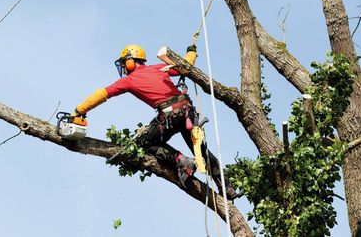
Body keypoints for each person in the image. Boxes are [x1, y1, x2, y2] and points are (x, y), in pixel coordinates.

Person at [72, 44, 237, 199]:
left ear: (130, 61)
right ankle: (227, 187)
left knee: (145, 142)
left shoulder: (129, 80)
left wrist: (81, 109)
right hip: (187, 112)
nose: (123, 68)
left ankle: (181, 160)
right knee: (201, 151)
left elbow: (103, 93)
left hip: (170, 115)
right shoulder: (159, 68)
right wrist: (191, 51)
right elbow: (186, 65)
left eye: (124, 63)